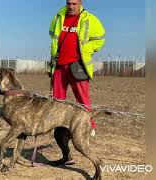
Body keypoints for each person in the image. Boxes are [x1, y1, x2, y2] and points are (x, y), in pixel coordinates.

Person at [48, 0, 105, 163]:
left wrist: (87, 50)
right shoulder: (58, 17)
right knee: (57, 100)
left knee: (82, 99)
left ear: (80, 3)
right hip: (59, 66)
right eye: (69, 3)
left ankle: (89, 126)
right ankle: (59, 127)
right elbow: (53, 36)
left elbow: (100, 39)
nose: (71, 6)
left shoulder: (89, 19)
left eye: (74, 3)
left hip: (78, 65)